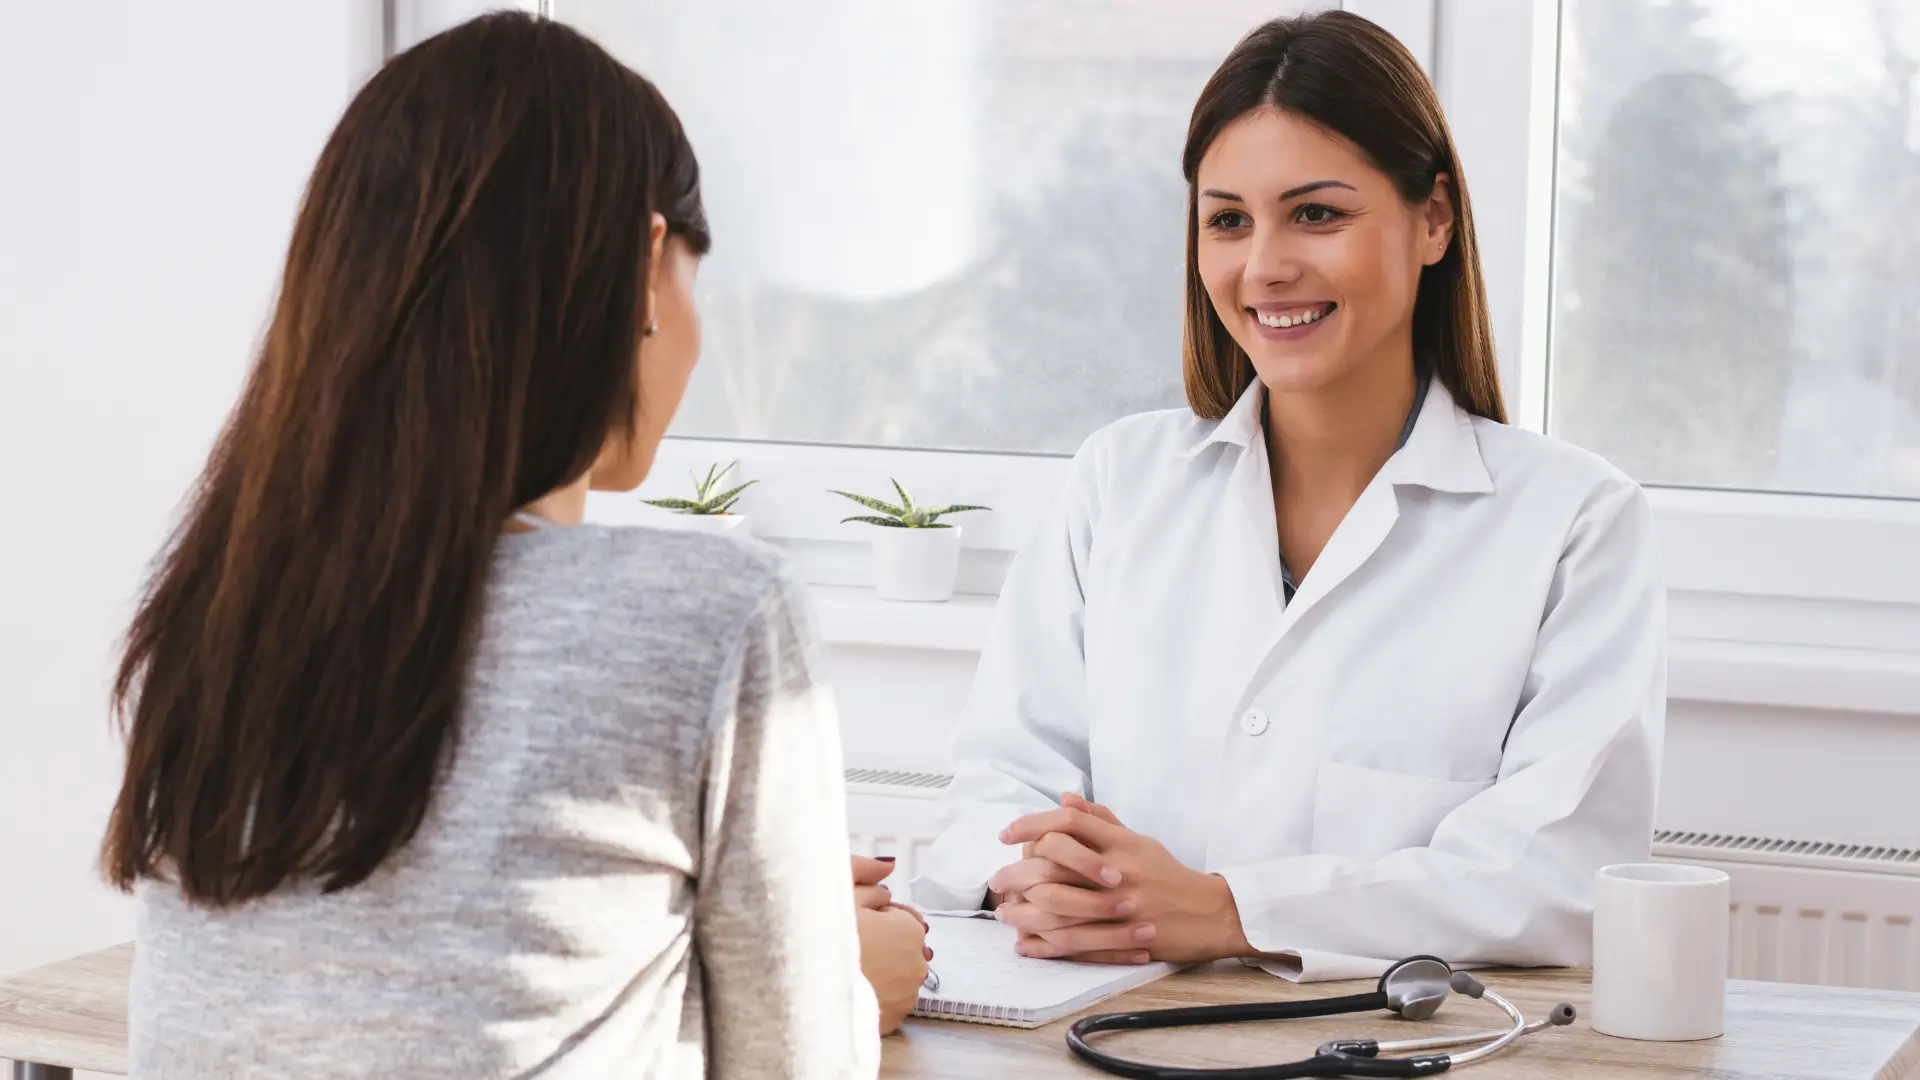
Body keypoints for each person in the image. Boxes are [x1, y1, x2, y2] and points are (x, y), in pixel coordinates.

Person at [104, 13, 923, 1077]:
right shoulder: (707, 613)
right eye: (694, 277)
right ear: (645, 264)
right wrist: (853, 978)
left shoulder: (215, 617)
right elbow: (797, 1066)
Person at [910, 10, 1665, 981]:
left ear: (1434, 218)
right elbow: (999, 777)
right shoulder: (1118, 482)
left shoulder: (1576, 524)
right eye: (1228, 220)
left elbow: (1558, 875)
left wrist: (1230, 913)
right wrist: (1035, 872)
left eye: (1316, 213)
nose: (1263, 265)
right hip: (1098, 1025)